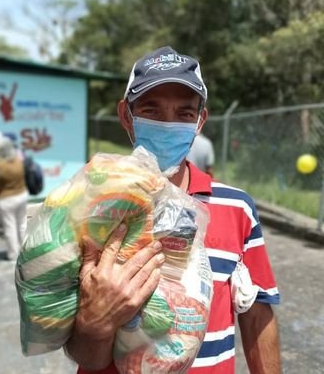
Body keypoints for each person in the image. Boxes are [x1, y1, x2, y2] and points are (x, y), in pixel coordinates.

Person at [65, 46, 281, 373]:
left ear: (199, 122)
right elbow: (87, 358)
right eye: (151, 110)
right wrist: (95, 321)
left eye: (184, 113)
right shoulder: (89, 205)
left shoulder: (236, 208)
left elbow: (257, 318)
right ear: (126, 116)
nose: (168, 124)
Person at [0, 137, 28, 261]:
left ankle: (13, 254)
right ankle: (26, 251)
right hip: (22, 194)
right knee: (22, 224)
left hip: (6, 198)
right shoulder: (19, 160)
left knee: (10, 227)